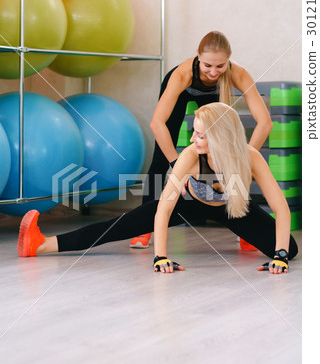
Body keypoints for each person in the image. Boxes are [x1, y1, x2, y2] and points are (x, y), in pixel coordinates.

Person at [17, 103, 297, 275]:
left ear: (220, 138)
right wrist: (160, 256)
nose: (192, 138)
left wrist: (281, 255)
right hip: (191, 201)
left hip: (233, 208)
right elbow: (164, 209)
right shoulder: (190, 156)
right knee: (122, 224)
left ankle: (248, 236)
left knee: (291, 249)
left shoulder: (249, 156)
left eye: (200, 135)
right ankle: (41, 244)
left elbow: (280, 208)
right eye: (194, 132)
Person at [130, 30, 273, 248]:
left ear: (228, 61)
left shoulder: (238, 73)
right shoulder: (182, 75)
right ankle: (143, 228)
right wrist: (178, 165)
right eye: (207, 65)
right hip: (181, 92)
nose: (213, 72)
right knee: (160, 161)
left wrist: (244, 160)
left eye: (220, 66)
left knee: (230, 163)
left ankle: (245, 229)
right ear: (197, 55)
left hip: (213, 98)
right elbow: (156, 124)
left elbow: (265, 123)